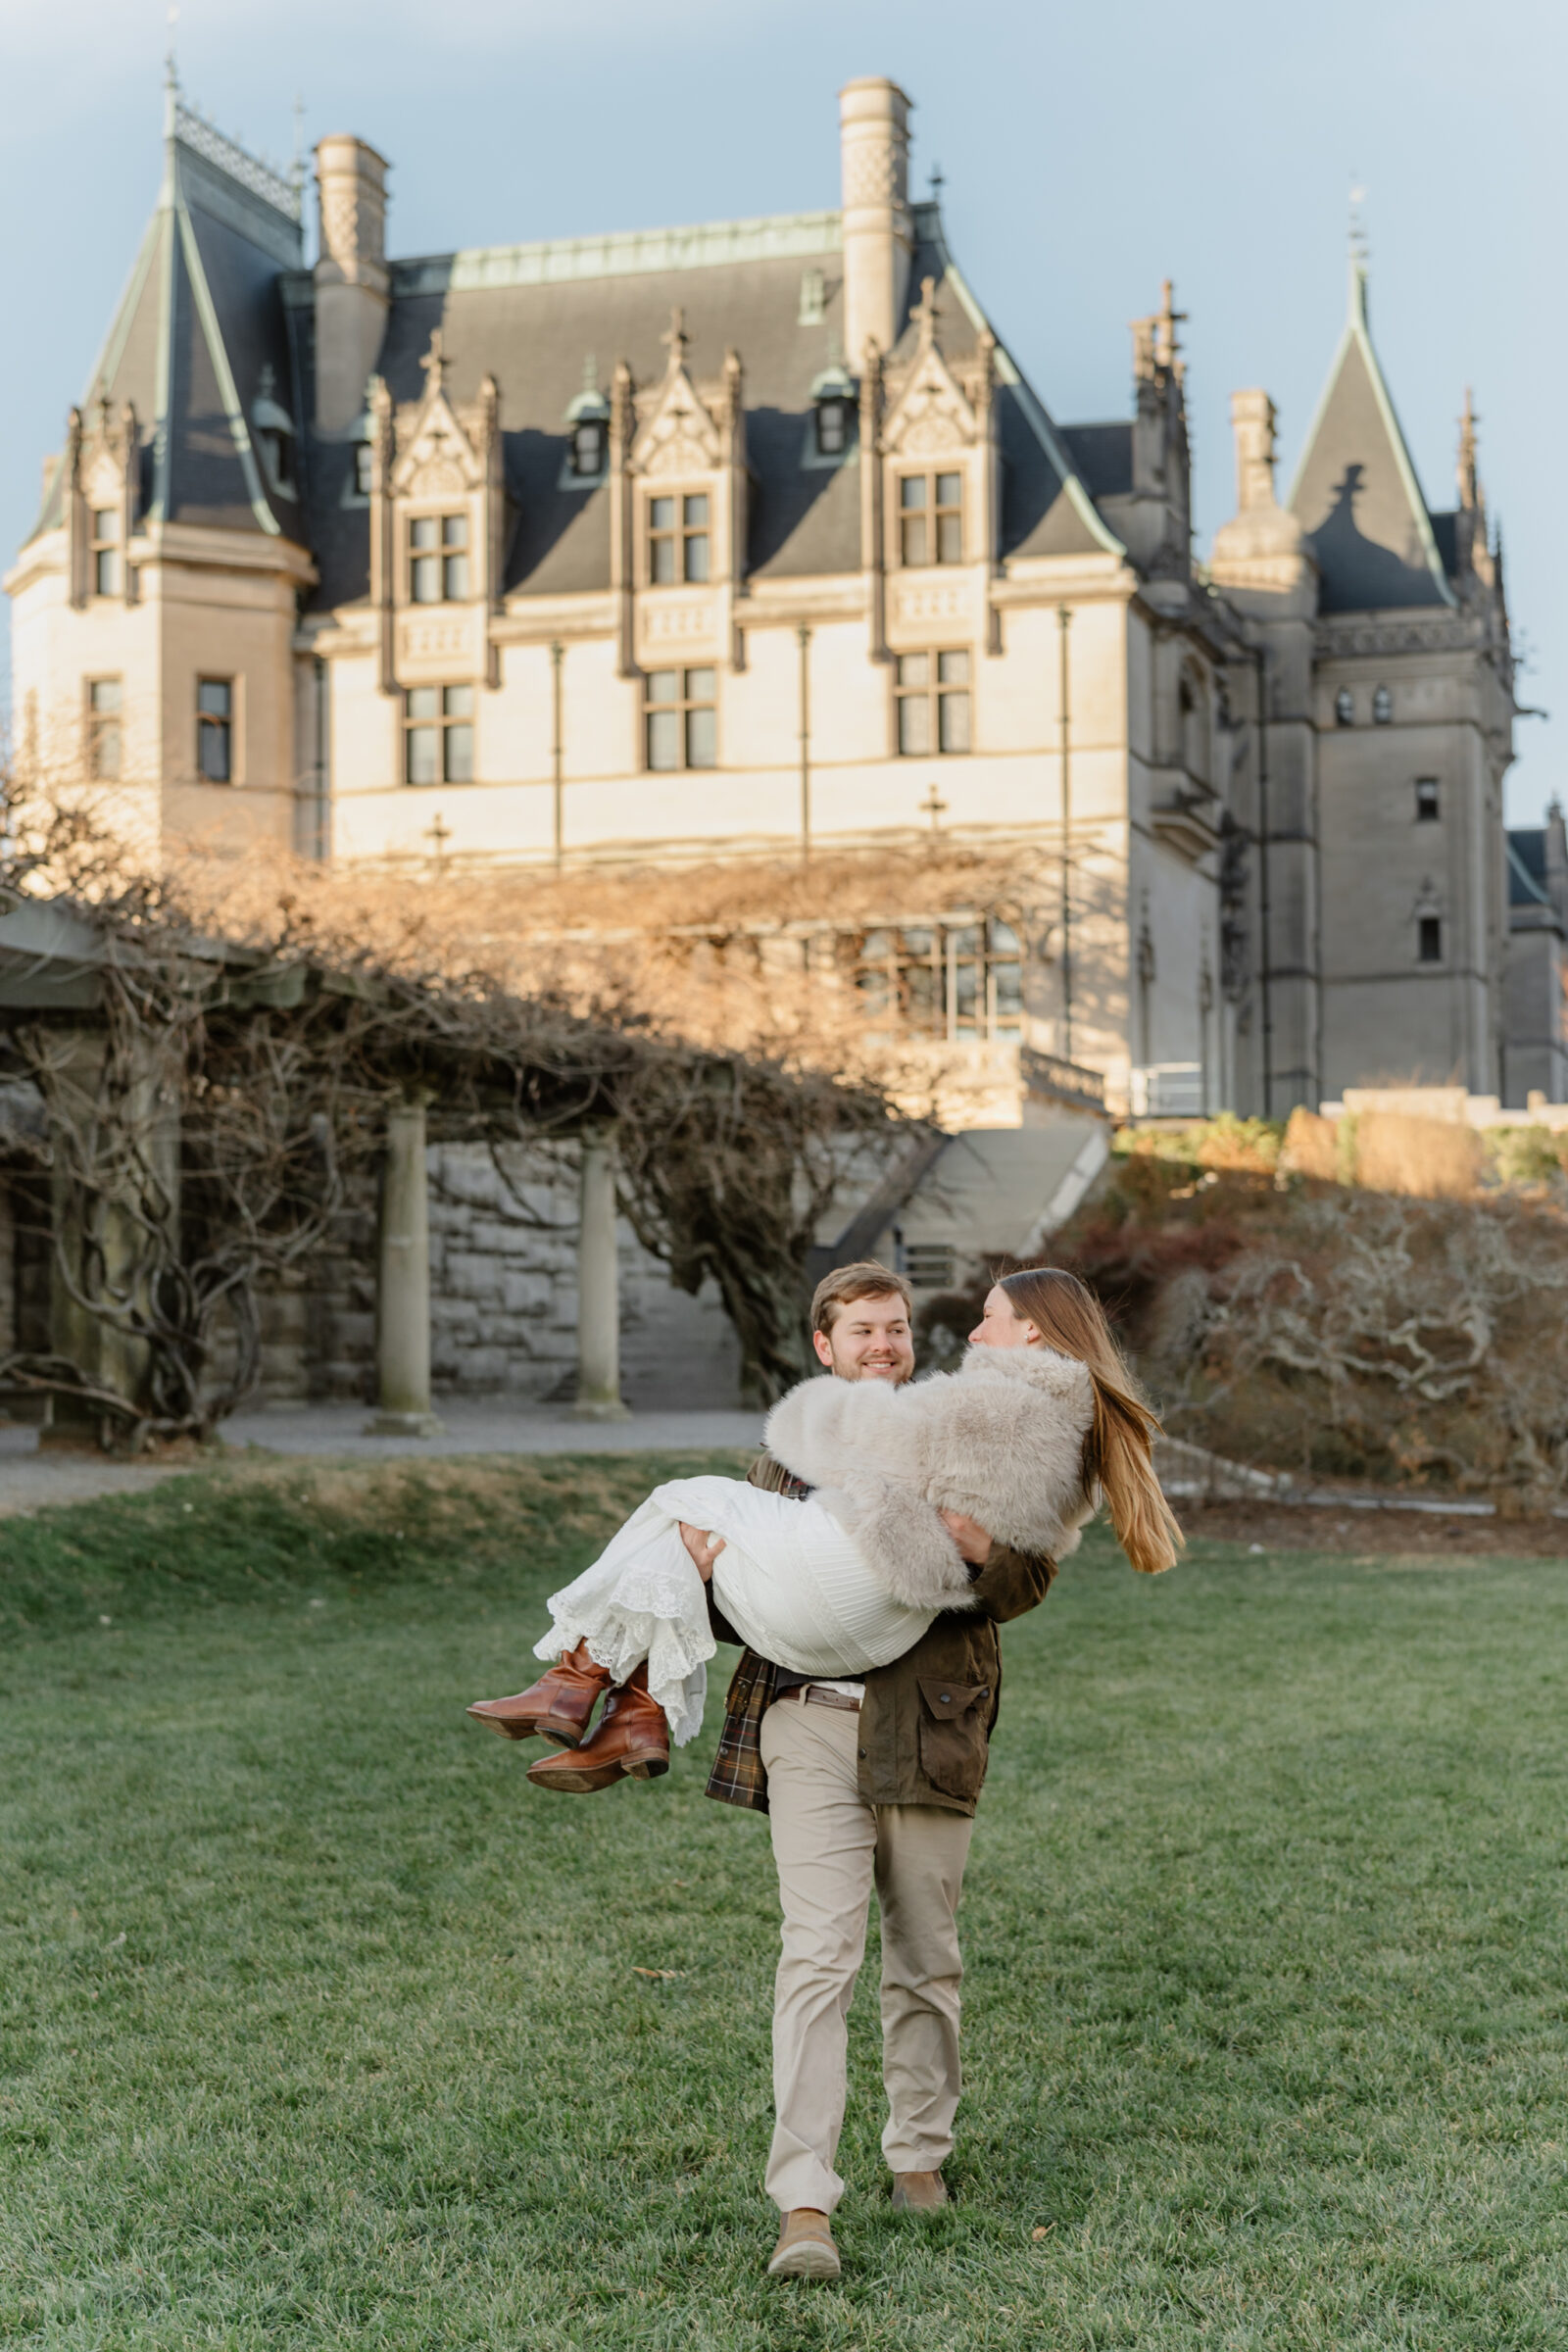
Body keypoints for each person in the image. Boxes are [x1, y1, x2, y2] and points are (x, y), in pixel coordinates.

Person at [470, 1261, 1180, 2280]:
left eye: (898, 1330)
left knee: (925, 1956)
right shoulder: (786, 1462)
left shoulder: (974, 1427)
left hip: (926, 1723)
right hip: (804, 1724)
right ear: (826, 1350)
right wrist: (714, 1575)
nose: (886, 1347)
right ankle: (803, 2201)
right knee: (815, 1958)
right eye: (864, 1334)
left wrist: (966, 1548)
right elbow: (742, 1605)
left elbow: (1024, 1576)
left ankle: (919, 2157)